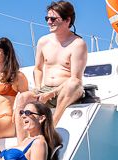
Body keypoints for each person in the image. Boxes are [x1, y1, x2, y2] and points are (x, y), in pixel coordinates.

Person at [15, 1, 87, 129]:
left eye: (53, 18)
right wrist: (38, 88)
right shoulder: (43, 41)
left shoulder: (78, 44)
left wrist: (52, 93)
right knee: (23, 98)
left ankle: (52, 128)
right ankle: (23, 141)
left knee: (73, 84)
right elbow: (37, 69)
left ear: (67, 20)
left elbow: (75, 78)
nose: (49, 22)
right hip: (45, 89)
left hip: (66, 90)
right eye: (47, 18)